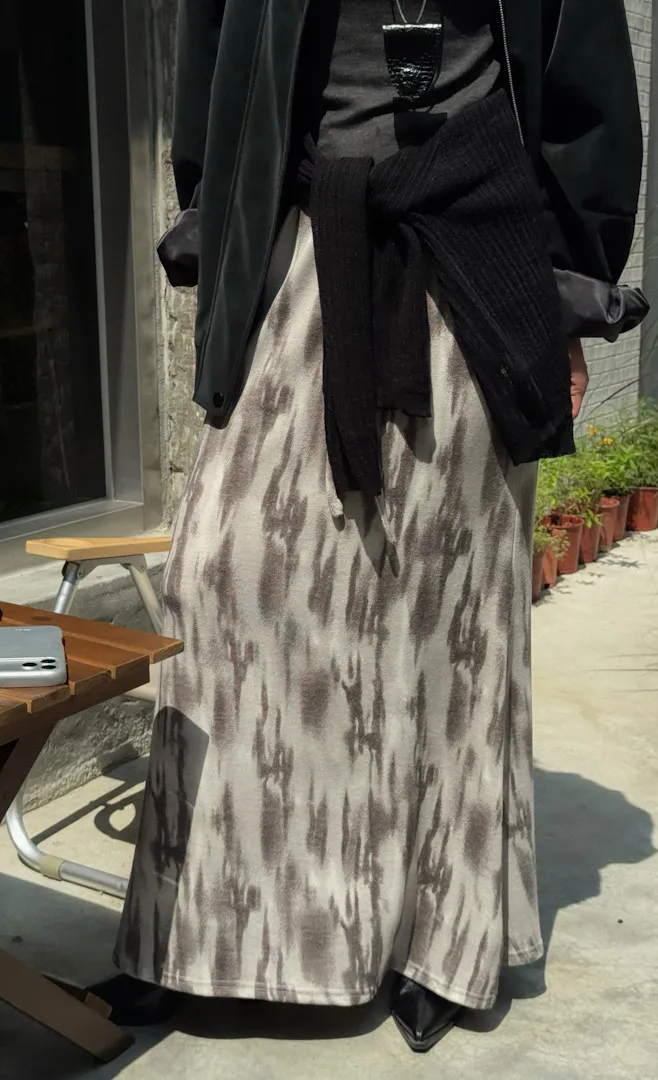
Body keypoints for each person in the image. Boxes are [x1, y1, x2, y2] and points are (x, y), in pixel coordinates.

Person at [93, 0, 646, 1054]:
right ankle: (197, 931)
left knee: (447, 610)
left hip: (479, 252)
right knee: (226, 576)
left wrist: (567, 296)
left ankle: (438, 937)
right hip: (300, 242)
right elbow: (214, 77)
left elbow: (588, 108)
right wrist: (222, 232)